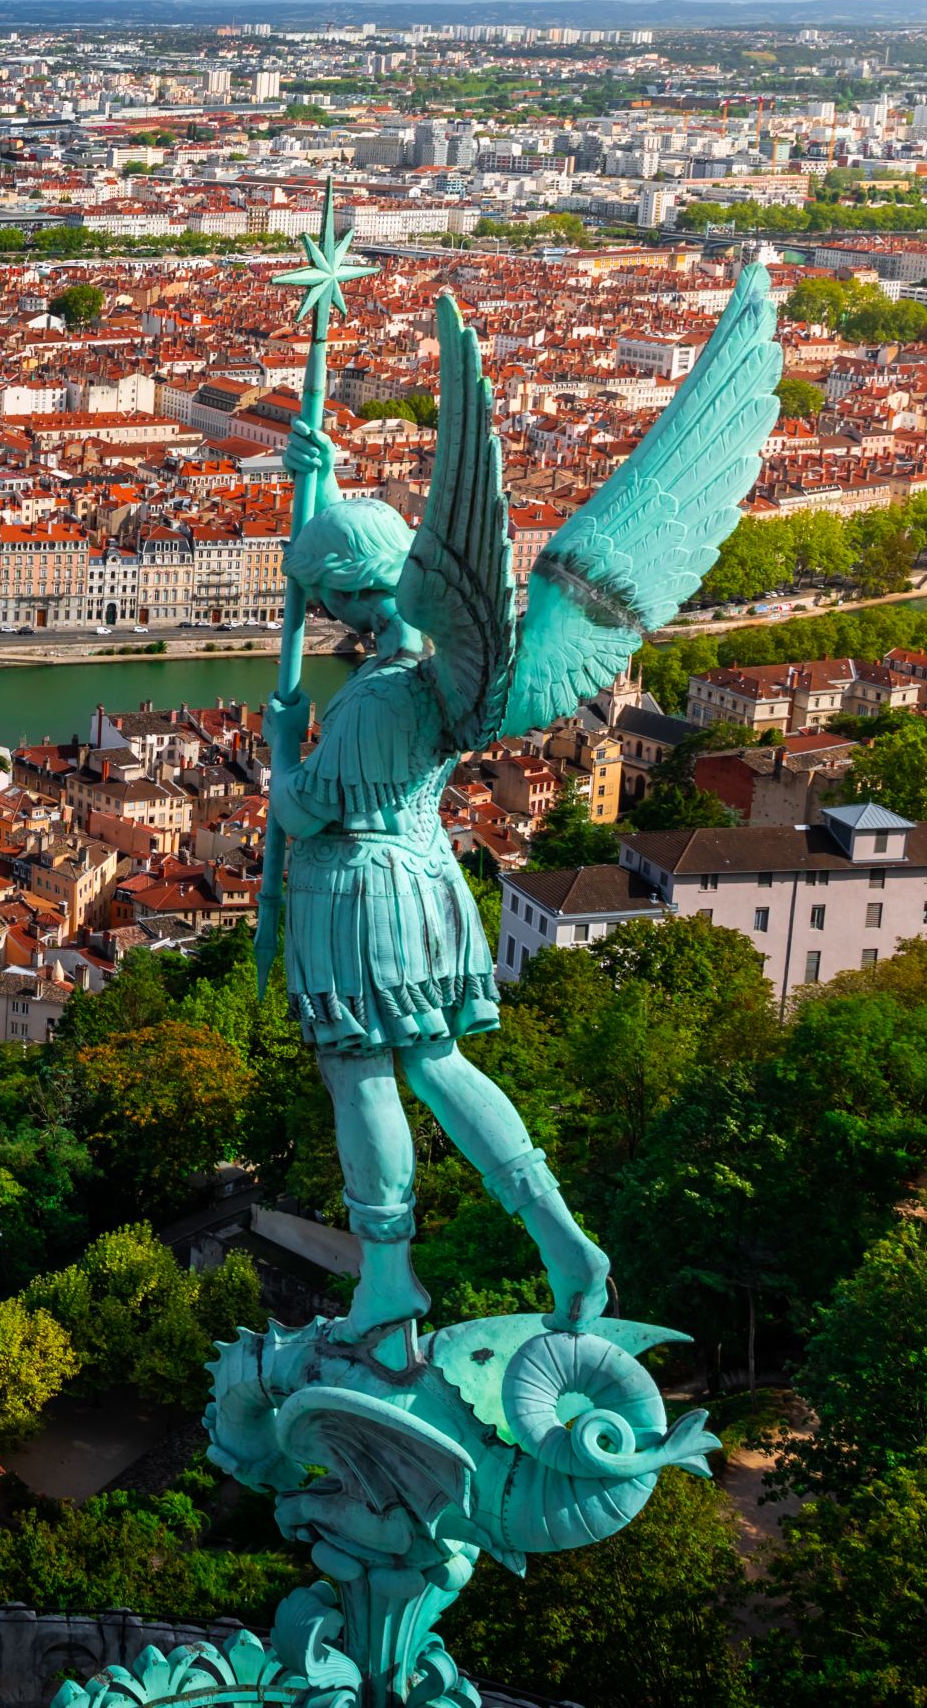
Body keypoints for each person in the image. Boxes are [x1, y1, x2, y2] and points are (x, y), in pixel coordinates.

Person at [277, 418, 608, 1345]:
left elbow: (308, 812)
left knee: (361, 1078)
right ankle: (560, 1234)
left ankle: (386, 1278)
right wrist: (329, 482)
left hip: (357, 898)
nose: (327, 616)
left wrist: (278, 746)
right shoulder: (434, 665)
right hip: (429, 881)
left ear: (349, 593)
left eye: (329, 598)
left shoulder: (379, 696)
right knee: (438, 1062)